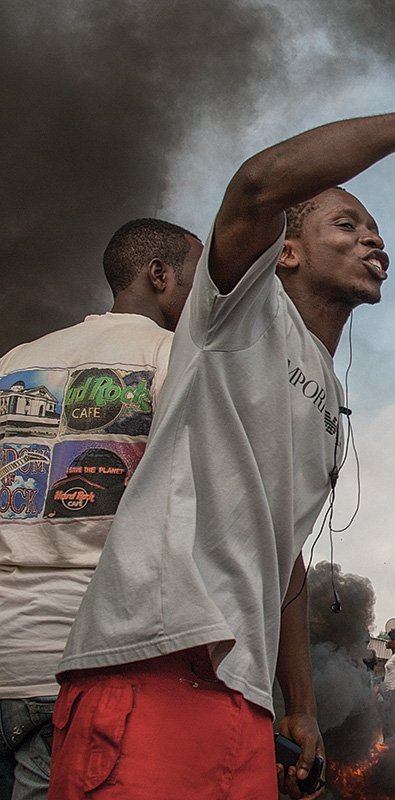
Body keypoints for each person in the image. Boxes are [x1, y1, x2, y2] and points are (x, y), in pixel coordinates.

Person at [51, 102, 395, 800]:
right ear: (287, 251)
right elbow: (256, 185)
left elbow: (284, 553)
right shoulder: (238, 312)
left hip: (242, 697)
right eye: (348, 225)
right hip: (150, 668)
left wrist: (299, 702)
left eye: (376, 231)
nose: (373, 240)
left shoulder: (328, 395)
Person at [0, 219, 200, 800]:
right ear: (159, 275)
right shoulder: (173, 358)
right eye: (197, 278)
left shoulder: (16, 361)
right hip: (82, 672)